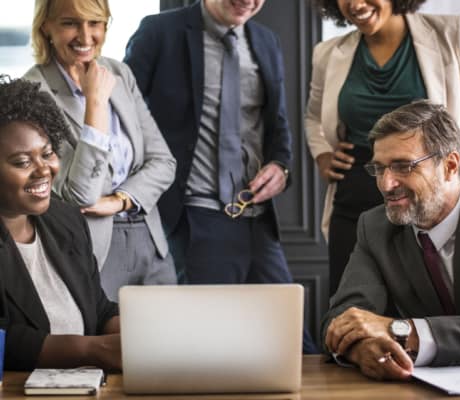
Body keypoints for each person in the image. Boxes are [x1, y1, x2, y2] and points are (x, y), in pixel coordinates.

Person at [124, 0, 318, 353]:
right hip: (195, 219)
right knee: (206, 349)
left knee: (294, 346)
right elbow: (121, 114)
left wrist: (281, 166)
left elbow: (277, 125)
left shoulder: (266, 40)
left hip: (258, 222)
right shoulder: (158, 33)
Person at [305, 0, 460, 298]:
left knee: (435, 303)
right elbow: (314, 116)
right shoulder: (327, 53)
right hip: (356, 193)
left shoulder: (452, 33)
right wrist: (322, 153)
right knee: (352, 305)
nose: (355, 4)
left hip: (431, 195)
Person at [321, 100, 460, 381]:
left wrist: (407, 332)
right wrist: (363, 349)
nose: (386, 184)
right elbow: (342, 318)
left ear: (450, 166)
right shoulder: (375, 227)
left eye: (404, 166)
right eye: (379, 169)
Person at [24, 0, 178, 302]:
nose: (85, 35)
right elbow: (79, 194)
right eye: (70, 23)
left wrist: (119, 200)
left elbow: (163, 162)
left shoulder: (118, 73)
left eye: (95, 22)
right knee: (107, 345)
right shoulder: (33, 90)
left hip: (150, 238)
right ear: (46, 27)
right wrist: (95, 104)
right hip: (93, 247)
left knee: (168, 343)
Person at [0, 76, 121, 371]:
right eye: (22, 162)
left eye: (47, 153)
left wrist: (143, 330)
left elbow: (99, 309)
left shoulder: (64, 219)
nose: (44, 170)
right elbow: (6, 340)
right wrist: (92, 350)